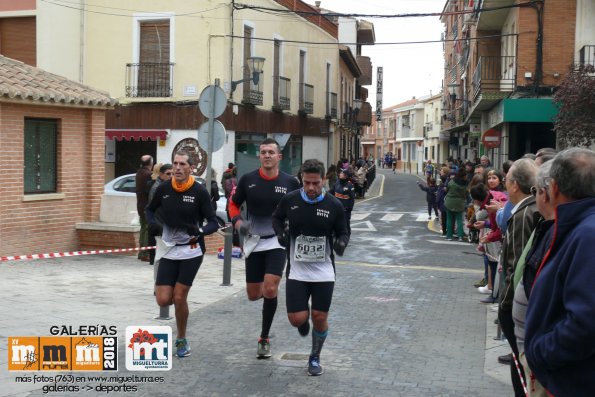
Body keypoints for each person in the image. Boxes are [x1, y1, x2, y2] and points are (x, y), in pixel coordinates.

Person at [525, 148, 595, 397]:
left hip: (572, 382)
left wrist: (540, 353)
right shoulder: (580, 227)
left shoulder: (587, 234)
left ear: (553, 188)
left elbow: (586, 323)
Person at [272, 159, 349, 376]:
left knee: (319, 316)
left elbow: (344, 231)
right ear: (301, 180)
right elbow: (276, 219)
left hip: (323, 271)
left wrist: (341, 243)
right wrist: (281, 233)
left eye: (316, 183)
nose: (312, 188)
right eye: (307, 183)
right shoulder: (290, 200)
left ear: (324, 180)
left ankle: (314, 357)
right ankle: (302, 321)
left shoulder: (333, 205)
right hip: (297, 270)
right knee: (297, 318)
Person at [228, 138, 301, 358]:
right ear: (259, 156)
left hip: (277, 241)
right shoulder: (247, 180)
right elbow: (233, 203)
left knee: (270, 288)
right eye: (263, 152)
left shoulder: (291, 182)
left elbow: (300, 205)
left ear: (279, 157)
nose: (267, 155)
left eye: (271, 152)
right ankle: (270, 298)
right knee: (253, 294)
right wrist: (237, 222)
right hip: (254, 241)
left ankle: (264, 337)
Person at [145, 151, 219, 357]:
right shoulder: (164, 189)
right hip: (168, 249)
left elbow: (213, 221)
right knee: (162, 299)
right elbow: (149, 209)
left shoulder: (199, 191)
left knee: (179, 297)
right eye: (175, 163)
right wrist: (152, 223)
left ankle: (181, 339)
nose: (177, 167)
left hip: (191, 251)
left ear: (191, 168)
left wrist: (201, 231)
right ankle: (178, 308)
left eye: (182, 164)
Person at [498, 158, 540, 397]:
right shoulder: (531, 208)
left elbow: (517, 266)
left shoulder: (524, 214)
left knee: (520, 365)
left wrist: (505, 306)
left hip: (517, 306)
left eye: (506, 180)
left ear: (514, 185)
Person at [147, 164, 173, 265]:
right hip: (160, 222)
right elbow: (153, 208)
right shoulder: (158, 188)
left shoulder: (167, 186)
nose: (171, 176)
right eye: (168, 174)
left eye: (173, 174)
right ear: (161, 174)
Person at [136, 154, 154, 262]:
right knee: (147, 229)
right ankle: (145, 253)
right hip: (147, 206)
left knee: (143, 229)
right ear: (151, 163)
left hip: (140, 205)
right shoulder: (149, 175)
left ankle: (141, 252)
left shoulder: (139, 173)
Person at [329, 168, 355, 235]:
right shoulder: (337, 183)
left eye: (342, 173)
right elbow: (331, 192)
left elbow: (352, 198)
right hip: (336, 209)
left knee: (346, 224)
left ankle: (347, 236)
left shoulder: (350, 186)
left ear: (345, 176)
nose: (340, 174)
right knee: (334, 222)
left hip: (345, 210)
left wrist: (349, 208)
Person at [443, 168, 467, 241]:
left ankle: (449, 236)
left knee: (449, 219)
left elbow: (446, 189)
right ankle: (460, 236)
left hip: (449, 201)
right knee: (459, 219)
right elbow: (467, 193)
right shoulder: (466, 183)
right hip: (460, 202)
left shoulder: (452, 182)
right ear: (464, 176)